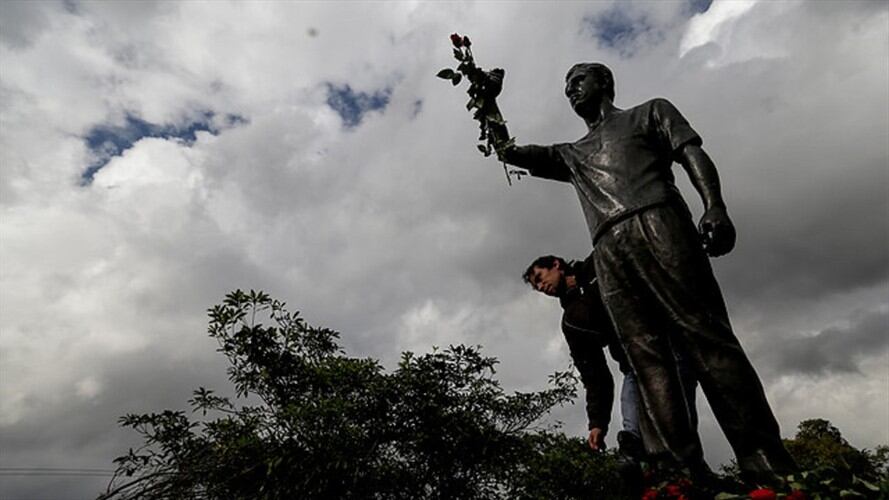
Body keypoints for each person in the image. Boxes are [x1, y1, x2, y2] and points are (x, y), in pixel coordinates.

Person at [479, 63, 796, 484]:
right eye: (566, 86)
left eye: (578, 80)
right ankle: (677, 473)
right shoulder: (573, 154)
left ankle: (765, 463)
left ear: (605, 83)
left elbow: (691, 154)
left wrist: (714, 205)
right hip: (610, 248)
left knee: (707, 338)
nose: (570, 90)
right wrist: (488, 101)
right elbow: (509, 152)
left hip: (660, 221)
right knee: (645, 359)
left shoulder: (650, 113)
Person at [522, 252, 698, 464]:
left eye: (540, 278)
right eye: (536, 287)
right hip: (633, 363)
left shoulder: (598, 263)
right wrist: (597, 423)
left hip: (670, 346)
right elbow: (594, 374)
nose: (541, 287)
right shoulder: (572, 320)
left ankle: (687, 462)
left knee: (681, 416)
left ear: (556, 265)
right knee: (633, 403)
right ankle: (632, 447)